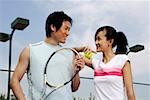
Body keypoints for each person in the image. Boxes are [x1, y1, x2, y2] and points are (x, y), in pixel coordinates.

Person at [10, 11, 85, 100]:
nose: (68, 33)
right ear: (53, 27)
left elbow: (74, 88)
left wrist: (76, 72)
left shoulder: (70, 54)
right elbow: (14, 81)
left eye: (69, 30)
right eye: (66, 28)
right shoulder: (30, 50)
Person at [75, 26, 136, 100]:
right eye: (95, 40)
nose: (96, 42)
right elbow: (71, 52)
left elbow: (130, 93)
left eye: (99, 39)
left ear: (110, 41)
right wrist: (81, 48)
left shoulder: (122, 60)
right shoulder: (96, 64)